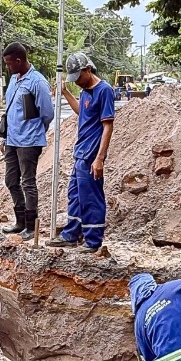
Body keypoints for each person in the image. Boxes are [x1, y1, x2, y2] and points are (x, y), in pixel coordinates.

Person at [47, 52, 116, 252]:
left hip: (92, 155)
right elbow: (82, 112)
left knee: (91, 198)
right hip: (81, 152)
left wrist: (100, 158)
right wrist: (66, 93)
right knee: (75, 195)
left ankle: (93, 241)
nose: (76, 82)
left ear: (88, 69)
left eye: (78, 77)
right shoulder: (85, 91)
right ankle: (71, 234)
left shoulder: (104, 91)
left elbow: (107, 126)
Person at [0, 42, 54, 236]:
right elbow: (10, 109)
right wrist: (6, 137)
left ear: (19, 60)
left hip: (29, 141)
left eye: (9, 63)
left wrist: (36, 130)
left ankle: (31, 227)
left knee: (28, 182)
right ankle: (20, 221)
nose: (8, 67)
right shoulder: (15, 79)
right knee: (11, 180)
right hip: (12, 140)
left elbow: (47, 113)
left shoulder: (37, 82)